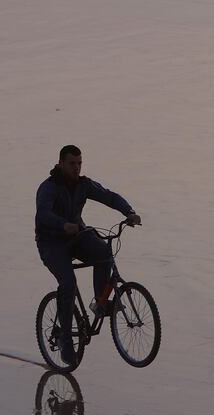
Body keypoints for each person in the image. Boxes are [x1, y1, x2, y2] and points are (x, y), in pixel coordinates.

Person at [35, 145, 141, 365]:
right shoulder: (49, 187)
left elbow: (108, 196)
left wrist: (128, 212)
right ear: (61, 163)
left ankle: (100, 303)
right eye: (72, 164)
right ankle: (65, 340)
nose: (76, 168)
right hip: (51, 243)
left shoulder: (83, 184)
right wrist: (63, 224)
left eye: (79, 163)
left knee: (103, 251)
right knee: (68, 284)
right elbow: (43, 214)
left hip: (76, 237)